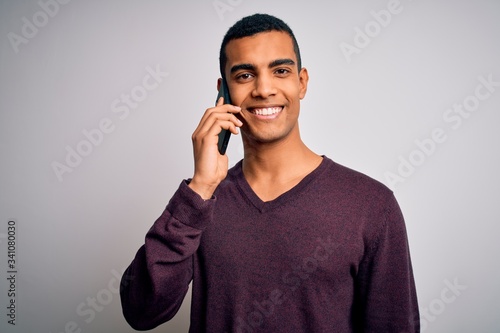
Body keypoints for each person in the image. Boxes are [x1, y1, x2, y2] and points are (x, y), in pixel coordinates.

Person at [120, 13, 420, 332]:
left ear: (301, 82)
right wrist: (200, 188)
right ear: (223, 93)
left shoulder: (371, 204)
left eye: (280, 71)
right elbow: (142, 310)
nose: (264, 89)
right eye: (245, 75)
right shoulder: (200, 203)